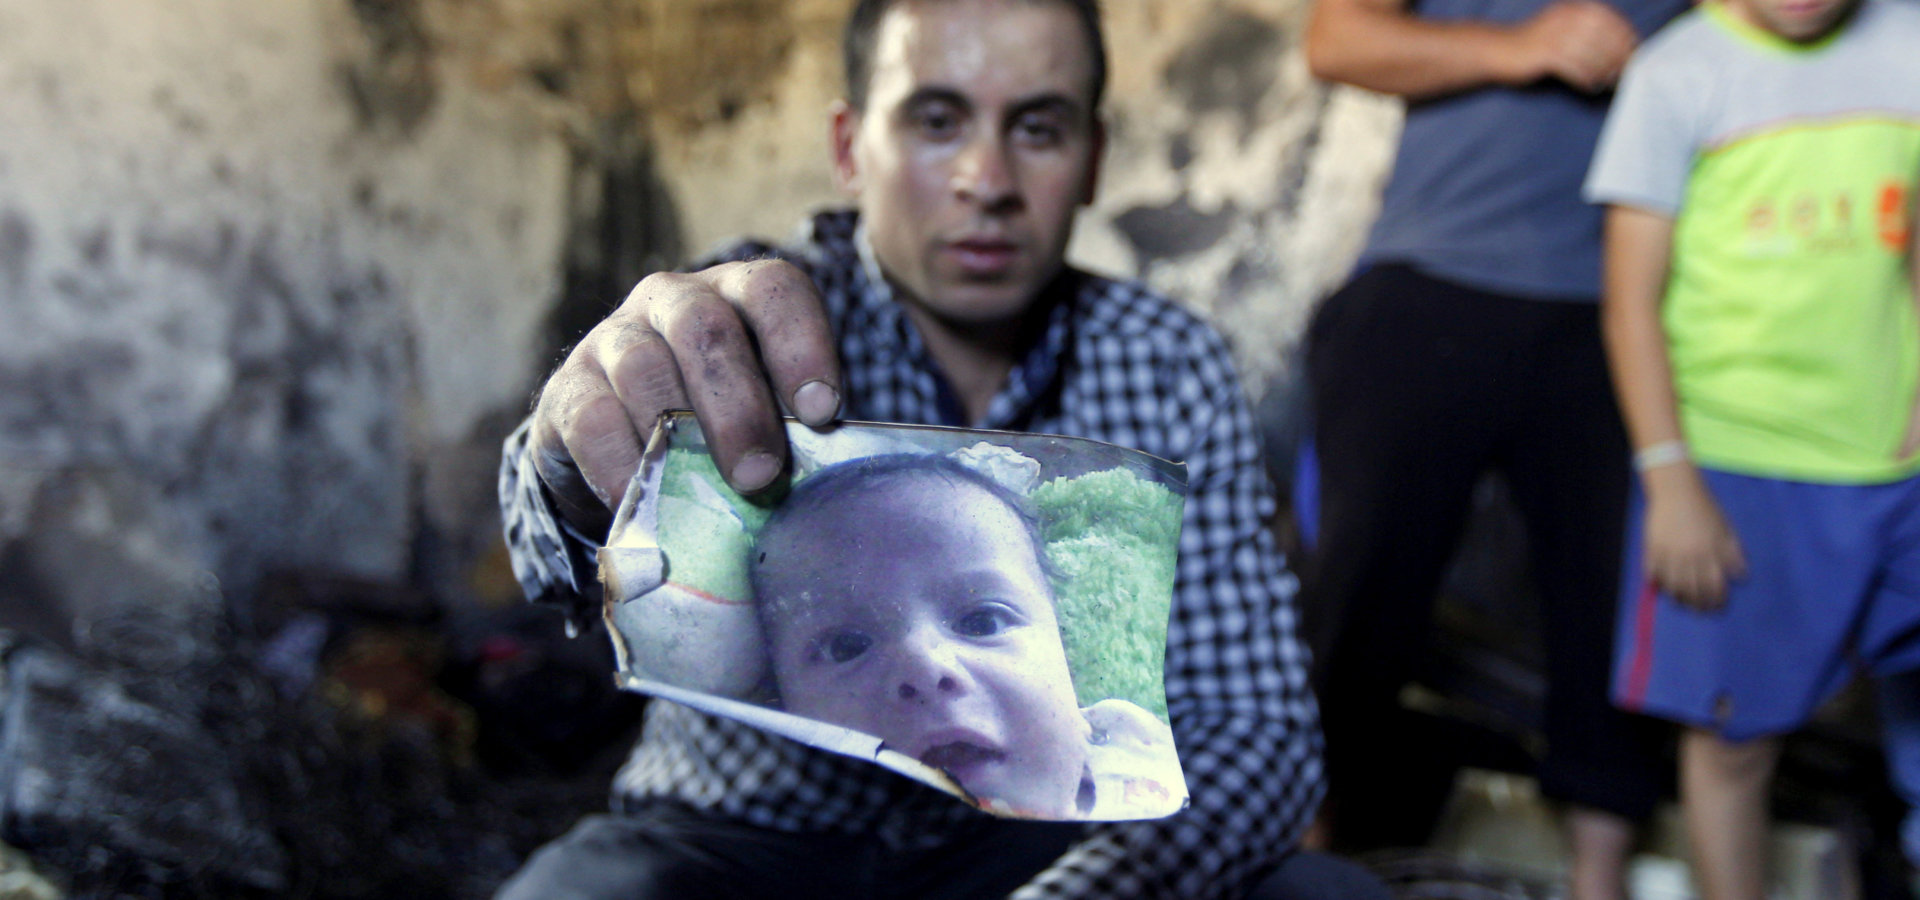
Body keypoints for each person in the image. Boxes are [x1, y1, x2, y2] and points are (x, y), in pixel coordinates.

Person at [492, 1, 1372, 897]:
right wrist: (567, 474)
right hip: (740, 839)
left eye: (1038, 127)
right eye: (936, 120)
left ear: (1094, 159)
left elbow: (1255, 724)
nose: (985, 179)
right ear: (849, 149)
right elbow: (555, 554)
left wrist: (1087, 891)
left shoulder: (1169, 361)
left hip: (1038, 843)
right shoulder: (742, 327)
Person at [1298, 0, 1683, 892]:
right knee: (1357, 592)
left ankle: (1600, 877)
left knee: (1616, 611)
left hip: (1620, 316)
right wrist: (1522, 48)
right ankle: (1304, 851)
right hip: (1430, 280)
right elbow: (1336, 40)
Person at [1585, 0, 1920, 895]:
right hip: (1740, 467)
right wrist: (1671, 479)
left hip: (1895, 465)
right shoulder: (1675, 74)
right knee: (1736, 739)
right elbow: (1629, 303)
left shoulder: (1910, 42)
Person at [751, 452, 1180, 821]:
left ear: (1064, 656)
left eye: (982, 623)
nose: (924, 666)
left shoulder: (1136, 750)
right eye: (847, 647)